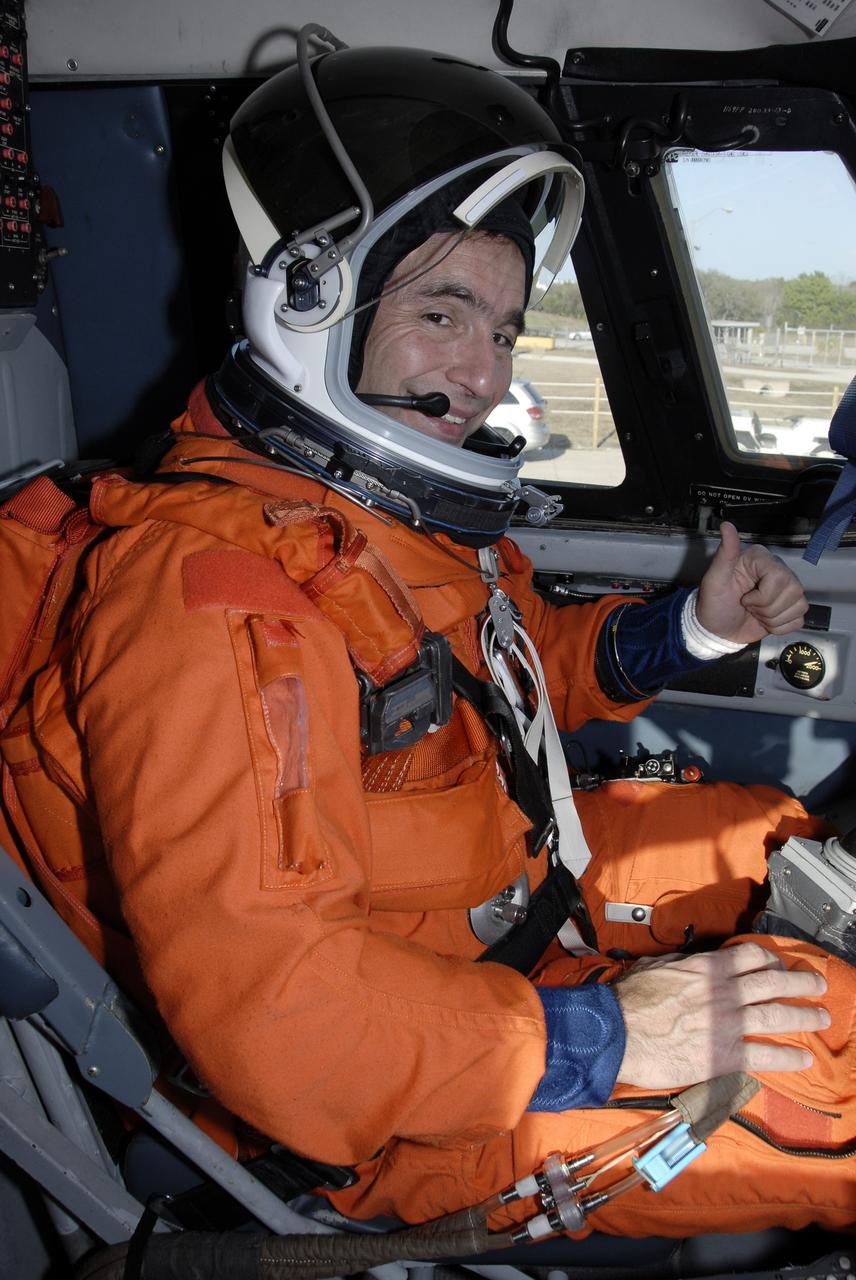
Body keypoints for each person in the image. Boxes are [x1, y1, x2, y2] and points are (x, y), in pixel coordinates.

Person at [5, 36, 854, 1239]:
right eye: (440, 312)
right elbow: (287, 1022)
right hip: (377, 1101)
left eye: (501, 329)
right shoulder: (215, 600)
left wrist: (692, 629)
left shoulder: (365, 524)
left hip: (494, 924)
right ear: (308, 309)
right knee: (834, 1082)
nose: (484, 375)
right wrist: (614, 1033)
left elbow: (517, 673)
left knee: (771, 839)